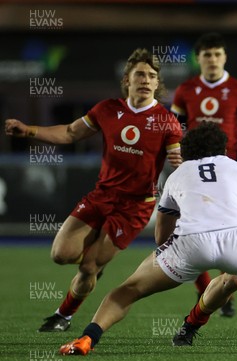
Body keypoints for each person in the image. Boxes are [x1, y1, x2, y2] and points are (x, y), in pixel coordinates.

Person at [58, 122, 237, 356]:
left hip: (189, 245)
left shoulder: (177, 175)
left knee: (126, 290)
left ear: (186, 153)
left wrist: (174, 260)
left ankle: (87, 338)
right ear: (224, 148)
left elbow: (162, 234)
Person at [4, 48, 183, 332]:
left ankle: (63, 315)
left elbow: (178, 161)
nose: (146, 80)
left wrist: (180, 162)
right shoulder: (107, 109)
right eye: (140, 74)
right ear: (127, 79)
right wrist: (29, 130)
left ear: (157, 82)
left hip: (134, 207)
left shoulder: (166, 121)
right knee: (60, 255)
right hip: (101, 196)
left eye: (151, 76)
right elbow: (71, 132)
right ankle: (96, 254)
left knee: (88, 268)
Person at [170, 32, 237, 316]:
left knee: (228, 231)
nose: (212, 59)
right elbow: (174, 131)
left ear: (225, 57)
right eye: (207, 55)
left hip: (227, 178)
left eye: (217, 54)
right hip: (192, 174)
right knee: (189, 230)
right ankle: (204, 290)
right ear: (198, 59)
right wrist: (177, 156)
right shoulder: (185, 90)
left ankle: (225, 290)